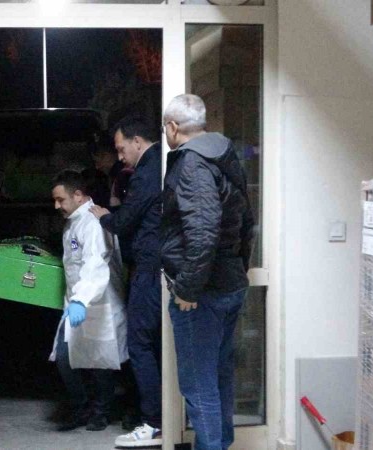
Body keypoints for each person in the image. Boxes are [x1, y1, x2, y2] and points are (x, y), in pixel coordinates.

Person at [161, 94, 254, 450]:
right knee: (218, 375)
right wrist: (239, 267)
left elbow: (202, 232)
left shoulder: (192, 163)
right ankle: (220, 443)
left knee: (199, 385)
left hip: (203, 294)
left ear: (173, 127)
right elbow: (246, 220)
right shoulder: (225, 156)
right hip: (228, 284)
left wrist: (188, 288)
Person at [89, 115, 163, 448]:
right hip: (159, 266)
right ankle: (162, 416)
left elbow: (126, 221)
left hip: (151, 268)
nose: (120, 157)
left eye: (121, 149)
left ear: (137, 141)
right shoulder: (163, 164)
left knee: (140, 344)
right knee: (155, 344)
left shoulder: (148, 171)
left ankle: (154, 422)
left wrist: (106, 217)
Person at [48, 170, 128, 432]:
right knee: (66, 358)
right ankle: (82, 406)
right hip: (77, 301)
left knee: (99, 362)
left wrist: (81, 300)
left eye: (60, 199)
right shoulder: (73, 221)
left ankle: (100, 411)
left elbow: (95, 264)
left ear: (78, 195)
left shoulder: (92, 222)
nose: (56, 206)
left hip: (96, 301)